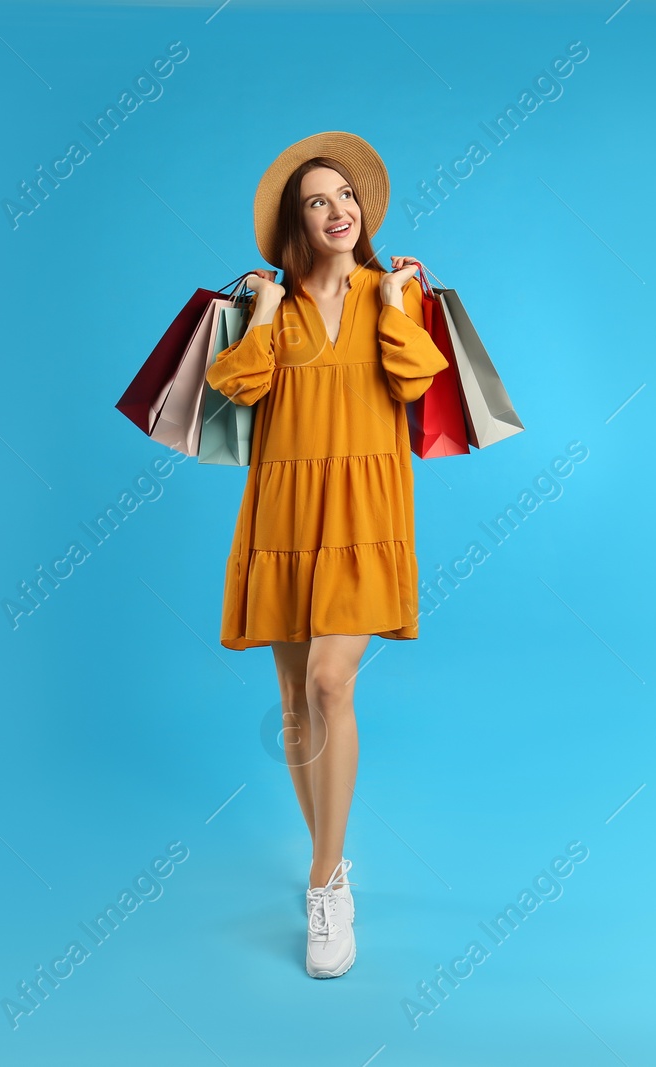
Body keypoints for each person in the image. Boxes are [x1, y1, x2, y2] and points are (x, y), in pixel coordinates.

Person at [205, 131, 449, 979]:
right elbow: (234, 385)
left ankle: (322, 884)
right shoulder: (266, 303)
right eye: (318, 199)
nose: (337, 209)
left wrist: (395, 306)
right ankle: (335, 867)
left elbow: (418, 381)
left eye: (345, 195)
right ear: (295, 221)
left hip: (365, 510)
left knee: (329, 681)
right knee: (293, 701)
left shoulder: (397, 290)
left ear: (362, 210)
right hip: (283, 509)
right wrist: (266, 313)